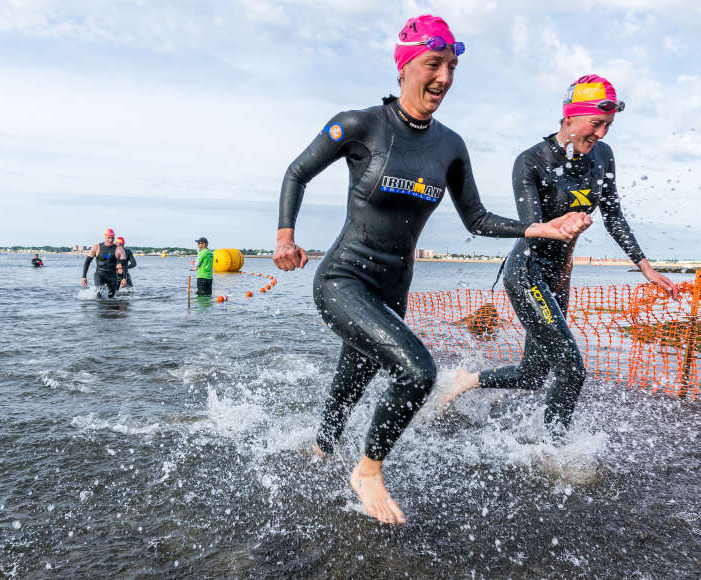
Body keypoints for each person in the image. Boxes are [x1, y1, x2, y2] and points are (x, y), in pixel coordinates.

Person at [273, 14, 591, 525]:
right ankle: (369, 470)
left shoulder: (450, 146)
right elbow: (297, 171)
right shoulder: (359, 125)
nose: (443, 77)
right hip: (344, 280)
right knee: (417, 372)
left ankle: (320, 449)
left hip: (393, 289)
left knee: (354, 375)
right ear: (404, 67)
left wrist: (538, 229)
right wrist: (286, 236)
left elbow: (478, 218)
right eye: (433, 64)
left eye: (451, 67)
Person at [443, 74, 678, 435]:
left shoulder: (603, 156)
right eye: (596, 124)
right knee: (572, 368)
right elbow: (534, 229)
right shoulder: (531, 161)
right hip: (527, 272)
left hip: (558, 278)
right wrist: (561, 224)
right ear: (569, 117)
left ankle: (466, 380)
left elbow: (613, 216)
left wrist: (646, 268)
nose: (601, 134)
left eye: (608, 126)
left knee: (533, 374)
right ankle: (552, 451)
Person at [81, 228, 127, 298]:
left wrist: (124, 278)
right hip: (100, 275)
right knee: (99, 295)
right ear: (105, 237)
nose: (111, 240)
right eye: (109, 238)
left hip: (112, 276)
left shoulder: (119, 249)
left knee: (111, 297)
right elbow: (87, 262)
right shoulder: (96, 247)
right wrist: (84, 277)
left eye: (112, 238)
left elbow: (124, 265)